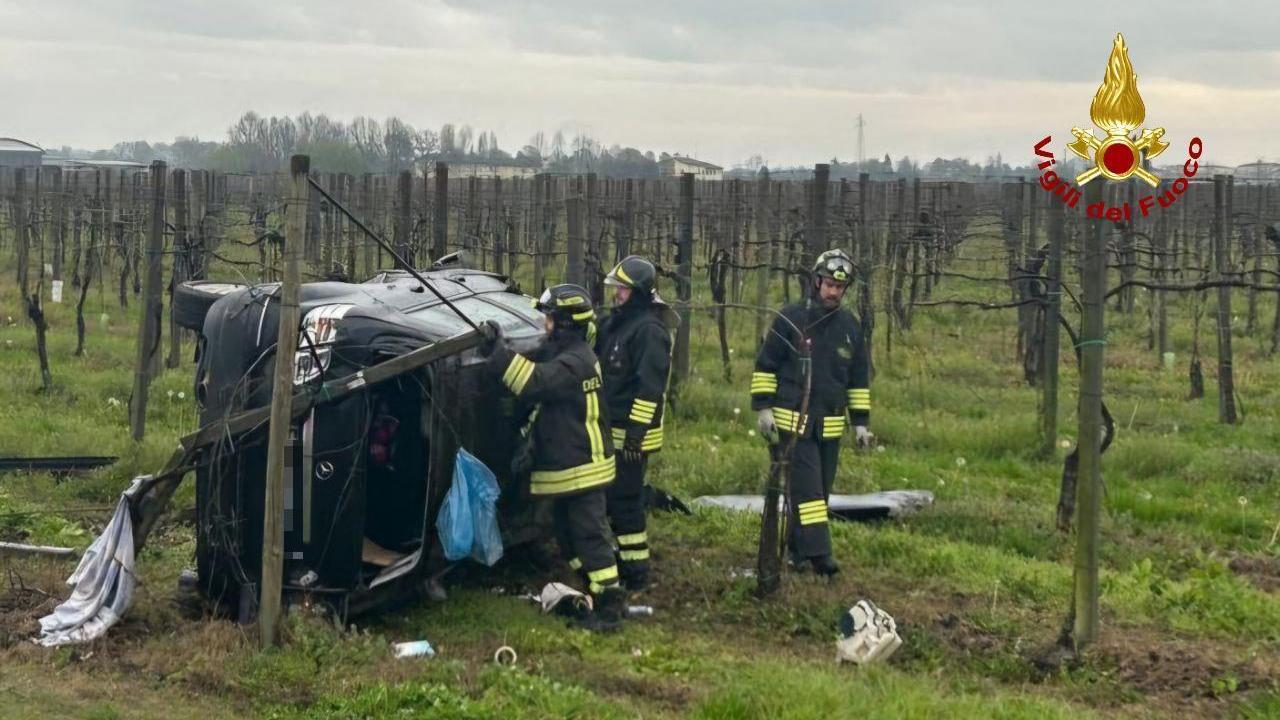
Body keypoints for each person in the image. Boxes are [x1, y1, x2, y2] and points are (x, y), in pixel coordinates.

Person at [481, 284, 624, 630]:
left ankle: (609, 607)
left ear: (564, 324)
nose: (544, 324)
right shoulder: (569, 351)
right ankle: (592, 588)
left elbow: (533, 383)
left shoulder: (575, 363)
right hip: (569, 466)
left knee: (590, 536)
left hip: (583, 468)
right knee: (566, 534)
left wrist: (497, 353)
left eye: (548, 319)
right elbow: (537, 359)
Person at [750, 249, 870, 577]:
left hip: (830, 426)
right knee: (810, 492)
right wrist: (763, 408)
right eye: (829, 284)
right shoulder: (791, 317)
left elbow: (858, 379)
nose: (833, 292)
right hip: (793, 423)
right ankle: (821, 556)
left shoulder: (850, 327)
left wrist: (860, 424)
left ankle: (798, 553)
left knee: (818, 493)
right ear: (817, 281)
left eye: (839, 287)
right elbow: (766, 365)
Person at [596, 255, 673, 591]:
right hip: (611, 433)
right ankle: (623, 560)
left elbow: (649, 389)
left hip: (631, 439)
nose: (617, 295)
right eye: (616, 289)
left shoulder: (650, 331)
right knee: (612, 501)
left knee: (626, 503)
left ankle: (637, 571)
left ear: (640, 292)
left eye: (624, 290)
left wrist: (635, 437)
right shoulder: (617, 324)